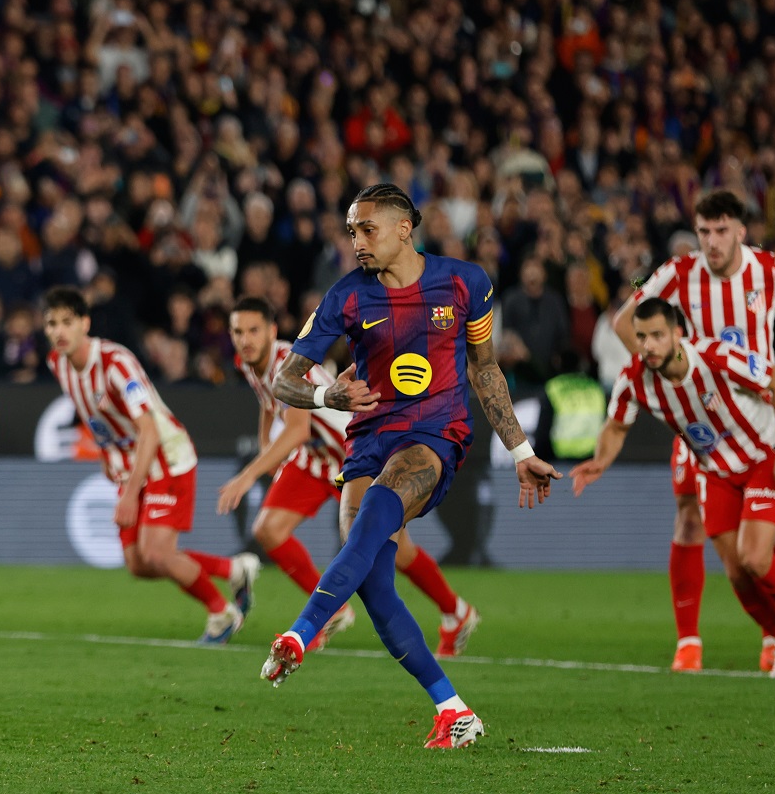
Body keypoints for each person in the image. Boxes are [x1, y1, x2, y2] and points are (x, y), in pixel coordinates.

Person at [259, 184, 560, 750]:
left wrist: (521, 452)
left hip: (433, 436)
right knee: (373, 584)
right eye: (351, 231)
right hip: (367, 439)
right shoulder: (346, 297)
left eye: (366, 229)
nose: (357, 241)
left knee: (374, 516)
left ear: (404, 228)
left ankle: (301, 632)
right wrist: (330, 400)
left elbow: (486, 369)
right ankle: (453, 710)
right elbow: (285, 379)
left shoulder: (466, 283)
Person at [611, 189, 775, 672]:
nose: (711, 241)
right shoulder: (681, 270)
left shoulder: (768, 268)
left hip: (758, 419)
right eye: (704, 231)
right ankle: (690, 639)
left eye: (721, 230)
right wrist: (661, 377)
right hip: (701, 418)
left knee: (759, 542)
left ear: (741, 231)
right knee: (693, 519)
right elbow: (625, 321)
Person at [573, 298, 775, 678]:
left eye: (657, 335)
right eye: (641, 337)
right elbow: (617, 426)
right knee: (737, 571)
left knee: (755, 556)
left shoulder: (717, 356)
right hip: (714, 470)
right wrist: (601, 460)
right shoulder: (636, 377)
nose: (649, 345)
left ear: (677, 334)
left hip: (761, 455)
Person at [219, 295, 481, 656]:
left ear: (272, 332)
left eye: (253, 330)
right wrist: (266, 443)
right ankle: (333, 612)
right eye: (237, 331)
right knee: (268, 529)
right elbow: (268, 403)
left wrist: (248, 475)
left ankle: (457, 612)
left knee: (396, 551)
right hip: (314, 458)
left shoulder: (287, 362)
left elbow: (295, 430)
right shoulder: (250, 363)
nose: (245, 339)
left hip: (352, 453)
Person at [42, 285, 259, 643]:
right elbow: (91, 412)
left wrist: (129, 494)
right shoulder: (58, 363)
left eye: (67, 322)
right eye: (52, 323)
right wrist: (105, 453)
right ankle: (233, 568)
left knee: (157, 552)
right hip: (130, 465)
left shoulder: (116, 364)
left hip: (166, 458)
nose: (59, 331)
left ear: (85, 323)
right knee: (139, 564)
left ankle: (222, 612)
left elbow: (149, 430)